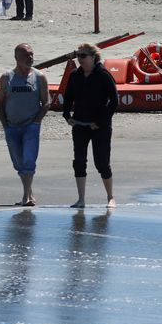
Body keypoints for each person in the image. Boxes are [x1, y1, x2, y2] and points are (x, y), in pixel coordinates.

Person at [62, 42, 119, 209]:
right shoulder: (75, 75)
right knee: (79, 161)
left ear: (93, 57)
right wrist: (67, 115)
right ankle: (81, 200)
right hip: (79, 124)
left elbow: (114, 101)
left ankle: (110, 197)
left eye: (83, 55)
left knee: (102, 162)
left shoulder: (103, 75)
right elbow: (68, 97)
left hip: (100, 127)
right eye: (77, 55)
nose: (79, 59)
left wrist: (101, 121)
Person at [0, 43, 49, 207]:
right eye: (26, 55)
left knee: (29, 160)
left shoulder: (39, 77)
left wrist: (36, 122)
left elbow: (46, 102)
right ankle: (29, 192)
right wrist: (5, 125)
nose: (30, 58)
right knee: (18, 162)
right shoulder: (7, 77)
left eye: (32, 54)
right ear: (16, 58)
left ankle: (26, 196)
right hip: (12, 126)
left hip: (30, 126)